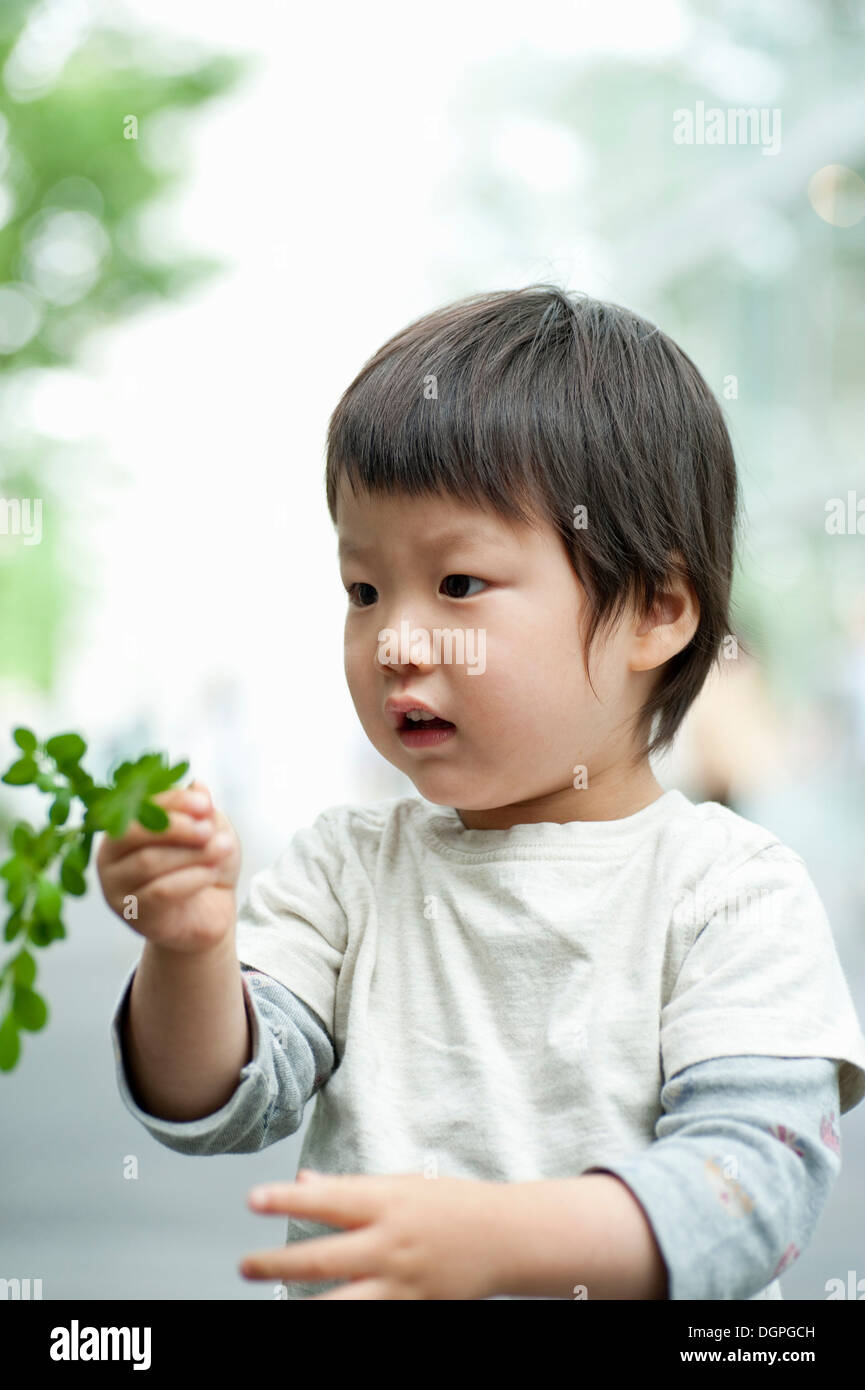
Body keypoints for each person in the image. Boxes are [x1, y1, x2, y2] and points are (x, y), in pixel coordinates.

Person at [99, 286, 865, 1301]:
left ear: (656, 609)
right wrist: (188, 948)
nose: (397, 642)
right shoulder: (345, 869)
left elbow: (747, 1192)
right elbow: (217, 1099)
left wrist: (496, 1240)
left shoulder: (730, 890)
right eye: (363, 591)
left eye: (458, 583)